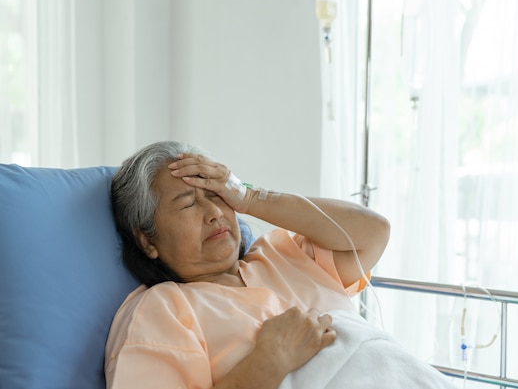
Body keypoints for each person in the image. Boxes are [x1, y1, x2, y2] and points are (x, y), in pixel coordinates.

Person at [105, 140, 455, 389]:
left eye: (216, 195)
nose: (213, 213)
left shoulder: (282, 255)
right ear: (147, 240)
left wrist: (252, 197)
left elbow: (373, 232)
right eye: (187, 204)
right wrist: (270, 360)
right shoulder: (163, 309)